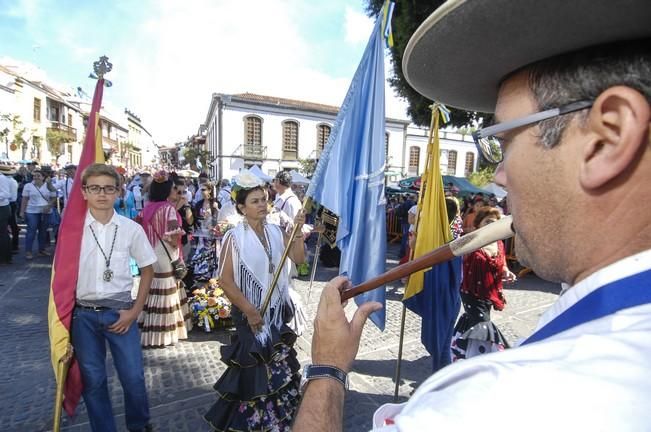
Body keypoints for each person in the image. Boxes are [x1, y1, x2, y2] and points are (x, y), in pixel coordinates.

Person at [293, 1, 651, 430]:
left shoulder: (493, 405)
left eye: (503, 140)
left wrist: (328, 371)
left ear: (607, 138)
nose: (497, 175)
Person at [204, 169, 305, 431]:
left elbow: (299, 258)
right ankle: (255, 422)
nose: (262, 204)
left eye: (264, 199)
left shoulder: (275, 231)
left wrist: (298, 234)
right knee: (255, 368)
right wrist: (250, 311)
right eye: (255, 201)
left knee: (276, 368)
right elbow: (225, 280)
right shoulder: (234, 238)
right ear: (241, 207)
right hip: (250, 312)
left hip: (274, 311)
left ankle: (277, 421)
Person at [71, 163, 157, 432]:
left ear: (118, 192)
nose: (102, 194)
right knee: (93, 380)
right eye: (95, 188)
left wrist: (135, 311)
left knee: (133, 377)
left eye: (109, 189)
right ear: (84, 192)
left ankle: (139, 424)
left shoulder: (131, 229)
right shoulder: (72, 231)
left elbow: (147, 269)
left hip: (121, 312)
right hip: (83, 315)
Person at [451, 207, 515, 361]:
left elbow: (502, 263)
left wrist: (506, 271)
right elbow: (452, 250)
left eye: (495, 222)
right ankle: (483, 358)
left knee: (474, 321)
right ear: (479, 225)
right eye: (488, 221)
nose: (492, 224)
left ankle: (462, 352)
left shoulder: (499, 243)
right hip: (471, 292)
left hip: (489, 292)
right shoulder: (471, 240)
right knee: (482, 323)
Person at [138, 171, 192, 347]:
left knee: (153, 286)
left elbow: (138, 227)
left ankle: (150, 327)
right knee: (167, 288)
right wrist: (177, 250)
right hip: (165, 252)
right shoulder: (167, 208)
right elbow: (174, 234)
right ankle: (165, 333)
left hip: (149, 251)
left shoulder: (147, 208)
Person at [19, 169, 56, 259]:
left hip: (45, 211)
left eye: (38, 175)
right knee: (31, 231)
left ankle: (41, 250)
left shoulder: (48, 185)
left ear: (43, 177)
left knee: (43, 232)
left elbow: (54, 197)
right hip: (31, 211)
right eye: (34, 175)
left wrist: (49, 206)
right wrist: (22, 211)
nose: (36, 177)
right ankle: (28, 251)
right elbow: (24, 199)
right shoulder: (28, 185)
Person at [0, 167, 17, 265]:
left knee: (3, 234)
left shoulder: (2, 178)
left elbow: (6, 194)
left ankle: (5, 258)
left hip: (2, 208)